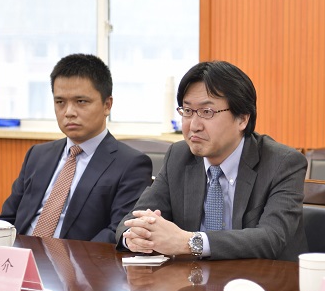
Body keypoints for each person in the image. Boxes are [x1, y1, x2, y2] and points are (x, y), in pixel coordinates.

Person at [116, 60, 308, 261]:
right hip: (194, 278)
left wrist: (189, 242)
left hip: (264, 278)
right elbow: (132, 220)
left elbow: (272, 238)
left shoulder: (283, 163)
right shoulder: (179, 156)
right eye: (187, 111)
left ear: (243, 118)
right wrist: (136, 237)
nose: (194, 126)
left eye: (207, 112)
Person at [1, 54, 152, 243]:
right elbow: (8, 218)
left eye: (81, 101)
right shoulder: (37, 155)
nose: (69, 112)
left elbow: (118, 231)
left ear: (107, 105)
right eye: (60, 102)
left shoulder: (131, 164)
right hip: (22, 255)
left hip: (78, 259)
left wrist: (61, 257)